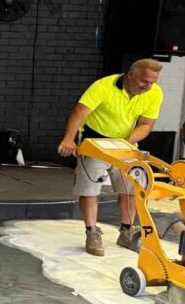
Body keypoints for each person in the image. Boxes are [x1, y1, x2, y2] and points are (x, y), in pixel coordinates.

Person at [57, 59, 164, 256]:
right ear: (130, 75)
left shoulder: (155, 92)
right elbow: (79, 113)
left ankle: (126, 232)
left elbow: (146, 124)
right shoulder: (103, 86)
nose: (148, 86)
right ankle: (92, 232)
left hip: (124, 143)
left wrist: (127, 141)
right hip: (94, 141)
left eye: (152, 82)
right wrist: (69, 139)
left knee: (131, 188)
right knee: (90, 190)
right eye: (144, 81)